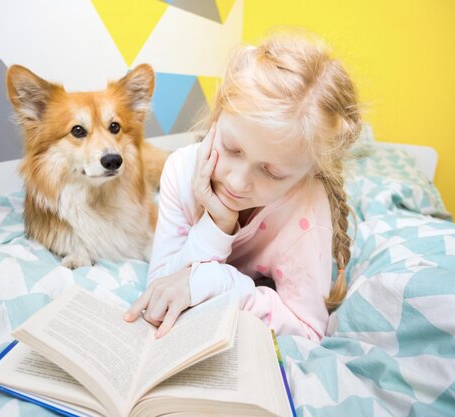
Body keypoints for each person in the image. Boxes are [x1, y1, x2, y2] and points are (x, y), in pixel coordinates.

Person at [124, 32, 362, 341]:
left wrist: (223, 283)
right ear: (217, 116)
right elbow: (160, 286)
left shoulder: (305, 208)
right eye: (232, 148)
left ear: (309, 172)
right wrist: (217, 225)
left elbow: (309, 329)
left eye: (273, 172)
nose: (236, 182)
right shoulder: (182, 170)